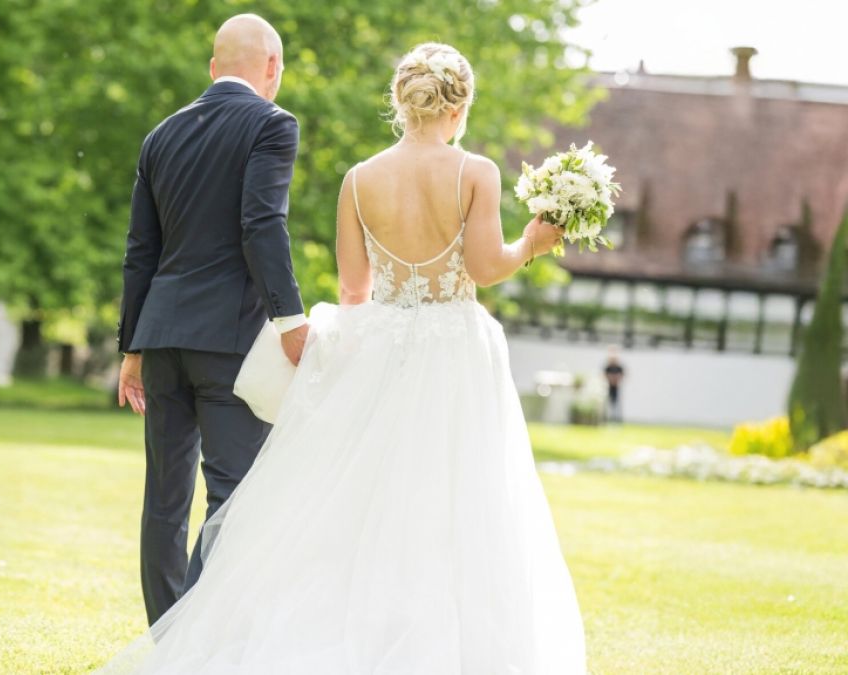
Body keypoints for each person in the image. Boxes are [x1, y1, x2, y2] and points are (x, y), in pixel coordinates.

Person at [103, 42, 586, 673]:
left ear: (400, 101)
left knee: (364, 500)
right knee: (457, 497)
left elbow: (354, 290)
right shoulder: (476, 172)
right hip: (456, 355)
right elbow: (487, 267)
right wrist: (533, 240)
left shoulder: (359, 180)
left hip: (380, 348)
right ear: (460, 104)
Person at [114, 14, 309, 626]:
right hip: (227, 340)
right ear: (272, 68)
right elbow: (261, 226)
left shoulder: (160, 135)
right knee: (234, 496)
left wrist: (131, 347)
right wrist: (290, 321)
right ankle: (195, 637)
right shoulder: (273, 125)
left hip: (161, 335)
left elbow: (140, 250)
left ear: (212, 67)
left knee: (164, 502)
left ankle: (167, 641)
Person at [604, 346, 626, 423]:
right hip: (608, 387)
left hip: (616, 387)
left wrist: (616, 380)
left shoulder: (619, 367)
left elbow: (622, 375)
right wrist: (610, 379)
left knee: (617, 403)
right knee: (608, 403)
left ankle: (617, 419)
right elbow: (604, 375)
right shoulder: (608, 367)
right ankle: (607, 418)